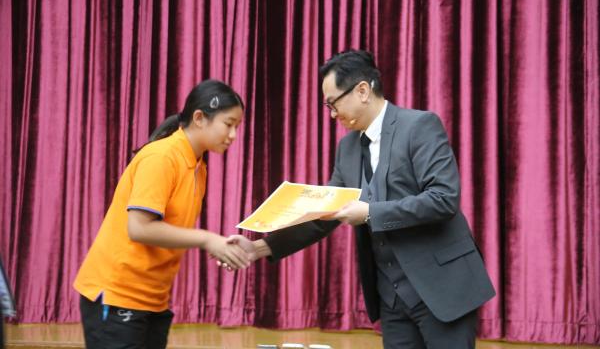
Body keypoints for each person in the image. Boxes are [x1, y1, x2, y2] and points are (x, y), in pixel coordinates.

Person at [232, 50, 496, 348]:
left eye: (333, 103)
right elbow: (323, 217)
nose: (332, 114)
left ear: (362, 91)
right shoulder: (347, 148)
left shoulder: (420, 126)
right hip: (392, 298)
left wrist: (370, 212)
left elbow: (443, 198)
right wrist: (258, 248)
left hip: (443, 287)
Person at [73, 80, 254, 349]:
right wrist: (207, 239)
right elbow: (140, 228)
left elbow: (169, 230)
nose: (233, 135)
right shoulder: (162, 157)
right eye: (229, 124)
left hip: (153, 300)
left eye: (237, 126)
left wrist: (223, 245)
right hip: (117, 294)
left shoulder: (198, 167)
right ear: (199, 118)